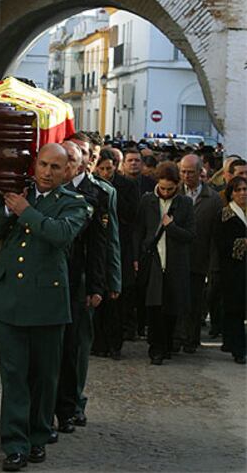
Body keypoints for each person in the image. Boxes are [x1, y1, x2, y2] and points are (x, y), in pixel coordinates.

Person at [0, 143, 88, 472]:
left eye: (55, 167)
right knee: (14, 376)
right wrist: (6, 209)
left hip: (47, 303)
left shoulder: (74, 203)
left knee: (44, 375)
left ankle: (38, 436)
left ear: (67, 171)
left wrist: (25, 211)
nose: (46, 172)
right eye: (43, 164)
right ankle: (15, 443)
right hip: (11, 299)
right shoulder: (19, 194)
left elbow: (60, 234)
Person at [53, 140, 105, 436]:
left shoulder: (92, 194)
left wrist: (97, 284)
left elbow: (98, 244)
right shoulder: (41, 194)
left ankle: (68, 407)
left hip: (75, 280)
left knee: (72, 350)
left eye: (74, 160)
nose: (71, 165)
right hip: (49, 281)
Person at [134, 161, 195, 365]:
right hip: (153, 261)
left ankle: (167, 345)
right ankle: (155, 348)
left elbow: (190, 235)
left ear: (177, 186)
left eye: (170, 189)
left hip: (175, 262)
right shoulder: (147, 201)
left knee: (171, 307)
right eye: (162, 188)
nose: (166, 192)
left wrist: (172, 227)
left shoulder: (185, 203)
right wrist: (137, 256)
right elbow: (140, 230)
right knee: (153, 306)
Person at [174, 154, 222, 353]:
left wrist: (212, 263)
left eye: (190, 172)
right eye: (183, 172)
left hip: (199, 258)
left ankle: (191, 339)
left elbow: (215, 235)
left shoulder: (212, 199)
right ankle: (176, 337)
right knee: (176, 300)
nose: (186, 176)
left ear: (201, 172)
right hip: (176, 258)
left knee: (194, 301)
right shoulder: (174, 193)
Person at [94, 149, 139, 351]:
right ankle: (99, 342)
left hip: (121, 241)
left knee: (119, 296)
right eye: (102, 169)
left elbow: (132, 213)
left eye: (109, 169)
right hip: (99, 243)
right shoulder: (92, 186)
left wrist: (113, 196)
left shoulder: (126, 186)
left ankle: (115, 342)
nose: (105, 173)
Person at [215, 176, 246, 365]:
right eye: (238, 190)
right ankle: (237, 348)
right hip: (234, 269)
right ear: (231, 193)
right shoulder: (225, 215)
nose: (242, 193)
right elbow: (223, 244)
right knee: (234, 308)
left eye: (245, 189)